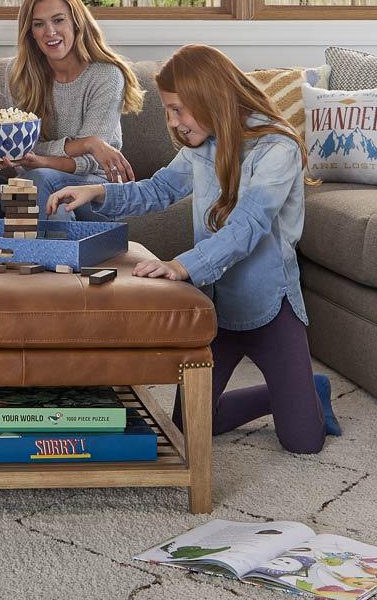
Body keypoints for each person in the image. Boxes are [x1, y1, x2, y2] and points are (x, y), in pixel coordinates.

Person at [48, 44, 337, 454]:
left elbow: (247, 227)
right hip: (219, 309)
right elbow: (160, 189)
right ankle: (293, 392)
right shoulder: (203, 145)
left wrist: (182, 267)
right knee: (192, 425)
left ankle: (309, 391)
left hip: (271, 308)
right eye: (168, 110)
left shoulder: (278, 149)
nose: (173, 122)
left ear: (211, 97)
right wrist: (97, 191)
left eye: (178, 109)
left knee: (303, 441)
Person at [0, 0, 144, 217]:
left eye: (58, 20)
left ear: (77, 22)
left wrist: (42, 160)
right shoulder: (20, 74)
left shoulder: (106, 75)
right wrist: (86, 143)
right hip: (35, 184)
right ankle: (53, 252)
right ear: (30, 32)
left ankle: (45, 253)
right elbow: (23, 149)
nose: (50, 32)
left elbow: (91, 162)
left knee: (37, 183)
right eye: (38, 24)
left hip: (95, 186)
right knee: (29, 187)